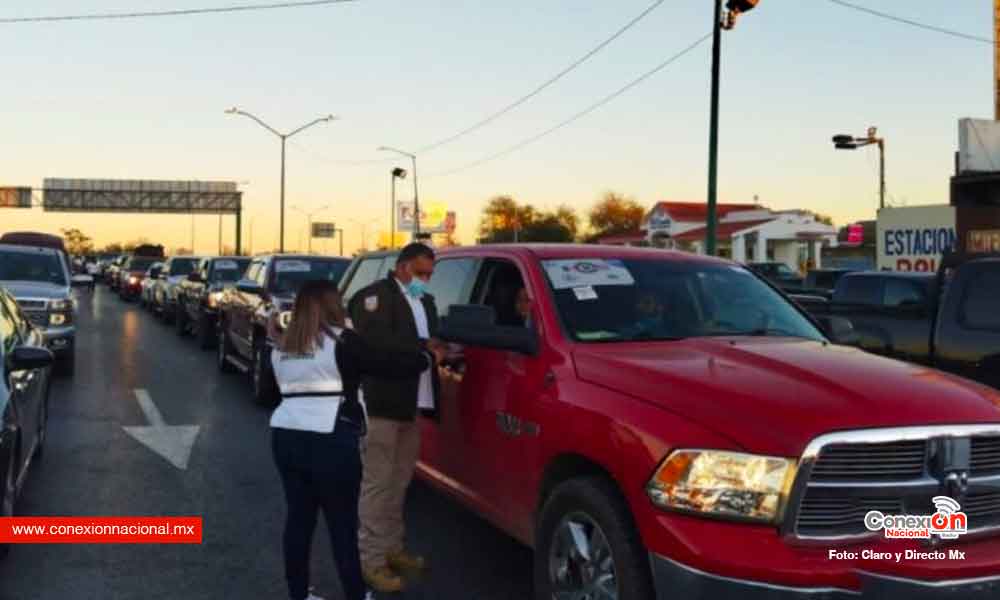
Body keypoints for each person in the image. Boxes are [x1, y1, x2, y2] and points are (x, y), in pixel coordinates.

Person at [269, 280, 429, 600]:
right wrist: (426, 358)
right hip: (330, 438)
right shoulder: (343, 341)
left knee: (298, 521)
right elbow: (387, 364)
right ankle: (355, 594)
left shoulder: (281, 347)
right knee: (341, 525)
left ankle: (299, 594)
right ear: (332, 305)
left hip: (285, 435)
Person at [349, 242, 444, 594]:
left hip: (413, 404)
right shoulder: (374, 298)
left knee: (399, 482)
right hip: (382, 404)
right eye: (420, 273)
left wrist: (440, 348)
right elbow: (378, 348)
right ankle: (371, 561)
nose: (425, 280)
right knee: (377, 484)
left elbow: (429, 340)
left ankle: (391, 547)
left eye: (430, 275)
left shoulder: (425, 301)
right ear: (402, 267)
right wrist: (425, 352)